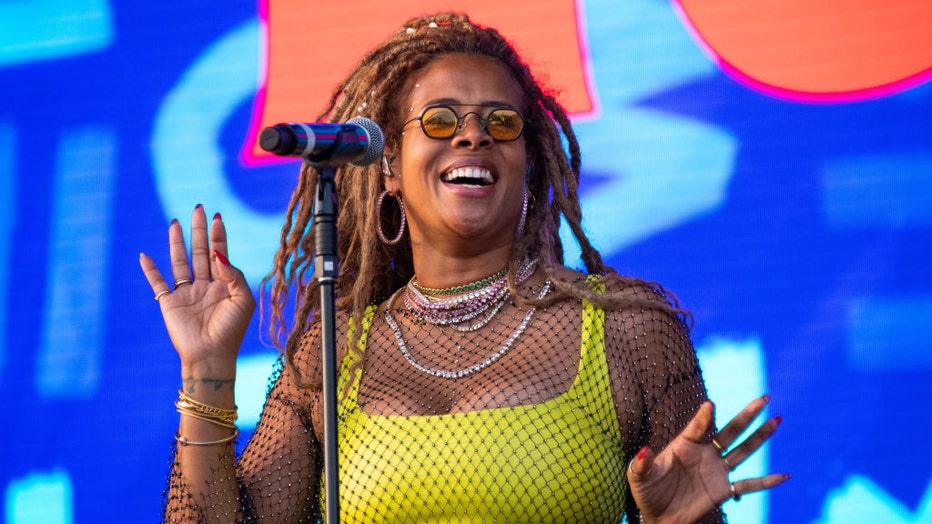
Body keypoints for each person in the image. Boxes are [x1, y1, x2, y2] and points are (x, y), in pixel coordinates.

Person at [140, 12, 788, 523]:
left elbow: (686, 506)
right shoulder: (333, 354)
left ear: (528, 166)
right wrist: (205, 371)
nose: (472, 136)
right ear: (388, 167)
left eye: (501, 123)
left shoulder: (625, 331)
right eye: (442, 119)